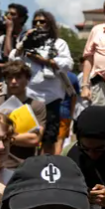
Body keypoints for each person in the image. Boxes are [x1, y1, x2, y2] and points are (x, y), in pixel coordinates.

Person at [12, 9, 73, 154]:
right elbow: (12, 62)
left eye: (42, 21)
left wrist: (45, 61)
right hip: (29, 98)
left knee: (49, 139)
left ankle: (46, 170)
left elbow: (68, 64)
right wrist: (21, 46)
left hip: (50, 99)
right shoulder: (26, 42)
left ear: (50, 24)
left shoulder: (59, 43)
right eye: (35, 22)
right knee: (25, 136)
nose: (38, 24)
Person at [0, 61, 47, 160]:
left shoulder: (36, 105)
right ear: (5, 80)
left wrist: (0, 136)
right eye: (9, 78)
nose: (13, 81)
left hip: (23, 163)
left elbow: (34, 139)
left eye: (18, 77)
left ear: (27, 79)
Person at [0, 3, 29, 79]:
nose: (8, 16)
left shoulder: (26, 37)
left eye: (13, 14)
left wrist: (9, 29)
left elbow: (10, 56)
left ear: (21, 19)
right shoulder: (3, 38)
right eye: (8, 13)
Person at [58, 70, 81, 148]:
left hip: (49, 111)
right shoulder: (73, 77)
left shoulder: (51, 72)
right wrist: (71, 114)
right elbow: (74, 97)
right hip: (65, 112)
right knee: (60, 141)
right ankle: (56, 160)